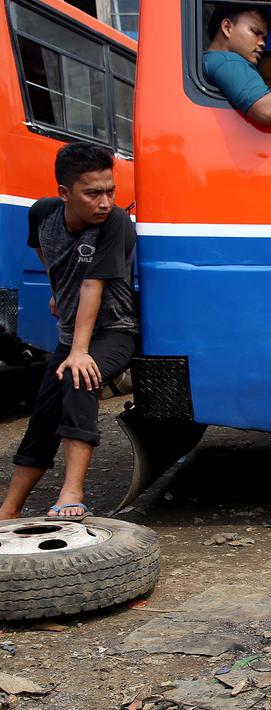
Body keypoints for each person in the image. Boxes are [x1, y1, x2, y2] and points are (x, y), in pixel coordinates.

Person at [0, 143, 138, 520]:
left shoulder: (115, 224)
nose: (105, 201)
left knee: (80, 378)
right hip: (71, 334)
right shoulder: (43, 213)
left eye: (110, 190)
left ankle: (72, 492)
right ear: (64, 193)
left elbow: (93, 286)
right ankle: (9, 510)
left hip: (114, 331)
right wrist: (56, 289)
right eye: (93, 193)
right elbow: (45, 251)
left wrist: (79, 351)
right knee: (43, 414)